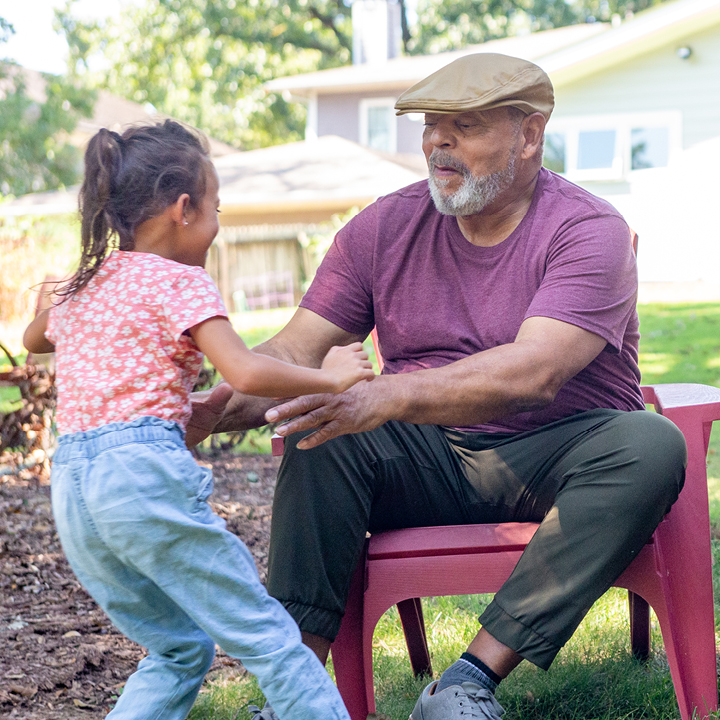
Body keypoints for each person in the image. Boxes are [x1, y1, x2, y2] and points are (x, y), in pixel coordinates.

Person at [189, 54, 687, 720]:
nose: (436, 143)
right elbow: (291, 354)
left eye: (464, 125)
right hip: (423, 455)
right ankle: (294, 696)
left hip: (561, 454)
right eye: (430, 126)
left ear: (529, 135)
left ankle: (466, 681)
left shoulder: (586, 230)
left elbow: (536, 369)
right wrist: (204, 411)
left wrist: (382, 397)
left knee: (651, 444)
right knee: (324, 430)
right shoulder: (381, 229)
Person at [22, 120, 375, 720]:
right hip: (142, 482)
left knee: (178, 646)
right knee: (268, 635)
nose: (217, 223)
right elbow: (246, 371)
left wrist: (193, 408)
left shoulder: (85, 288)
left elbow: (38, 340)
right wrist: (332, 378)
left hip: (76, 493)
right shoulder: (181, 282)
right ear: (183, 209)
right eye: (216, 208)